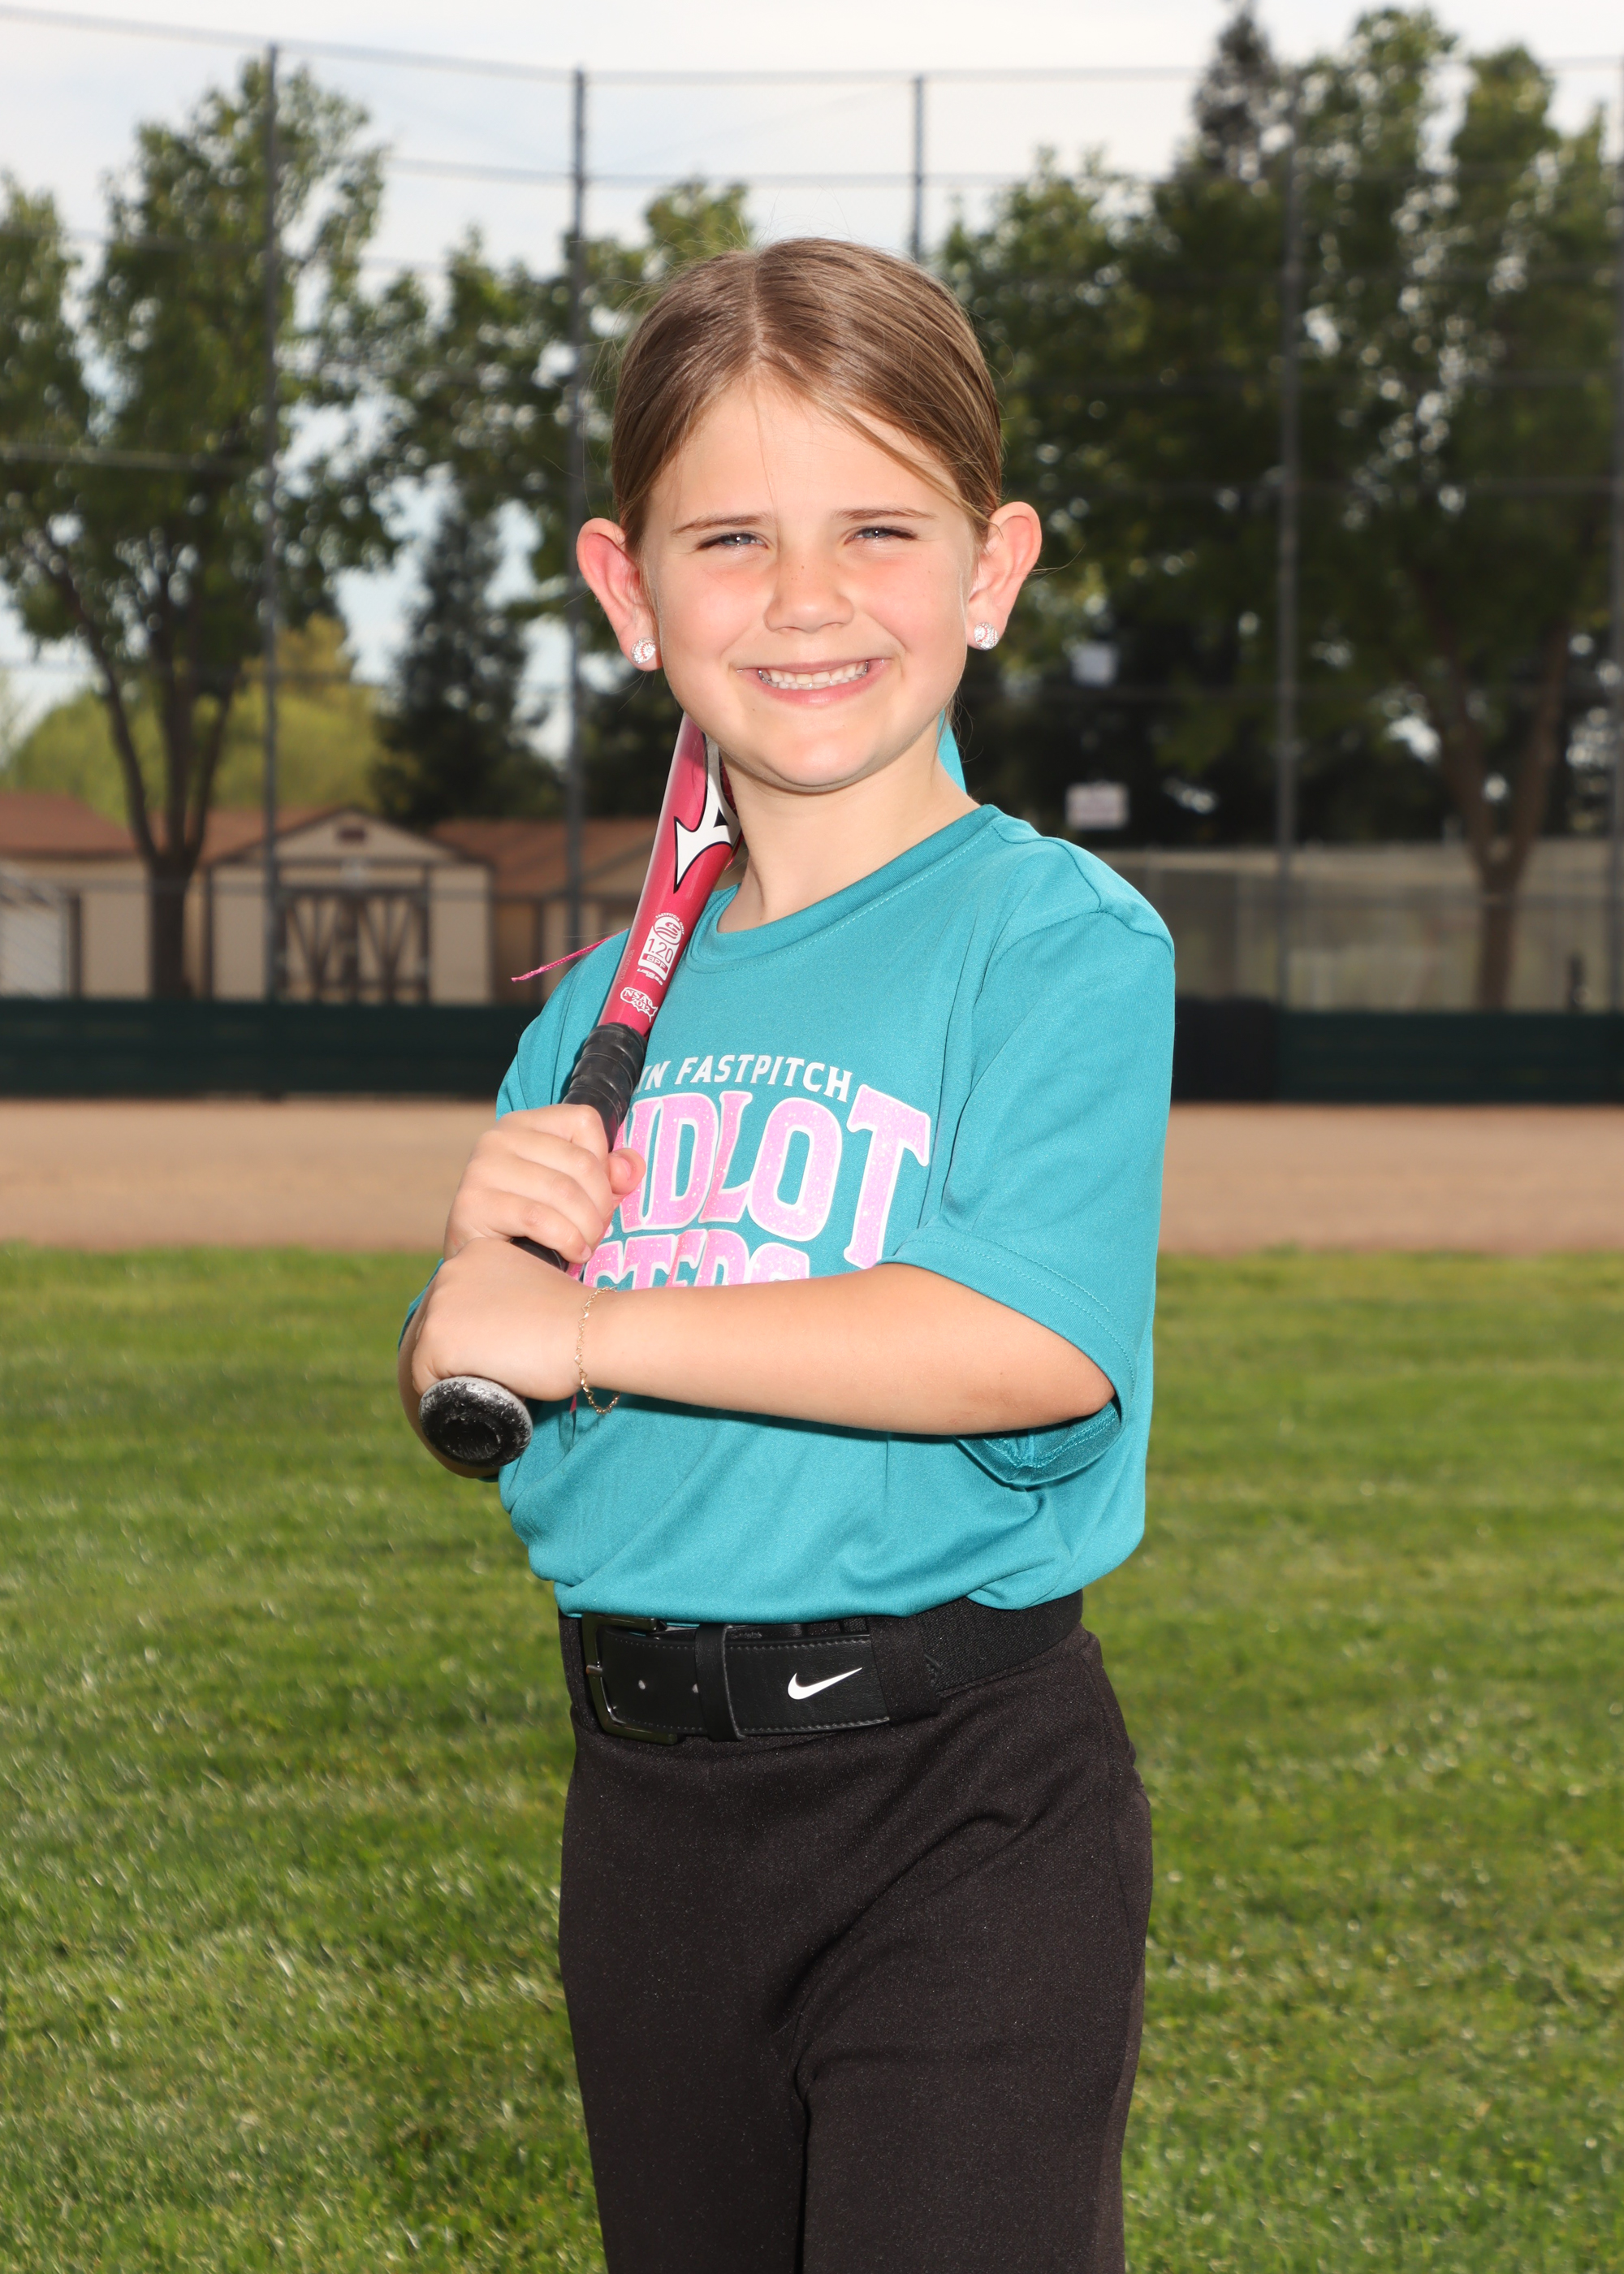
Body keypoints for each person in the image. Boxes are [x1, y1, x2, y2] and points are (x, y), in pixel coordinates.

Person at [400, 237, 1173, 2274]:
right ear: (628, 589)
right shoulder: (597, 1015)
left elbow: (1015, 1340)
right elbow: (488, 1373)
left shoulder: (1053, 939)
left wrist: (585, 1322)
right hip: (649, 1812)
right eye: (731, 537)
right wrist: (471, 1301)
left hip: (960, 1799)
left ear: (992, 569)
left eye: (878, 530)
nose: (808, 598)